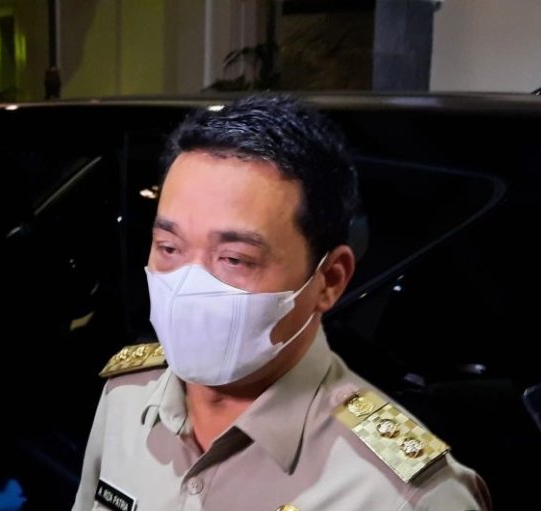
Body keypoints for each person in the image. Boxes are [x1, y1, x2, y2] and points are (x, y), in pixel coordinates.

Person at [72, 94, 490, 510]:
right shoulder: (126, 398)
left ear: (329, 279)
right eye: (169, 247)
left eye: (234, 259)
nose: (187, 287)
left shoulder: (406, 496)